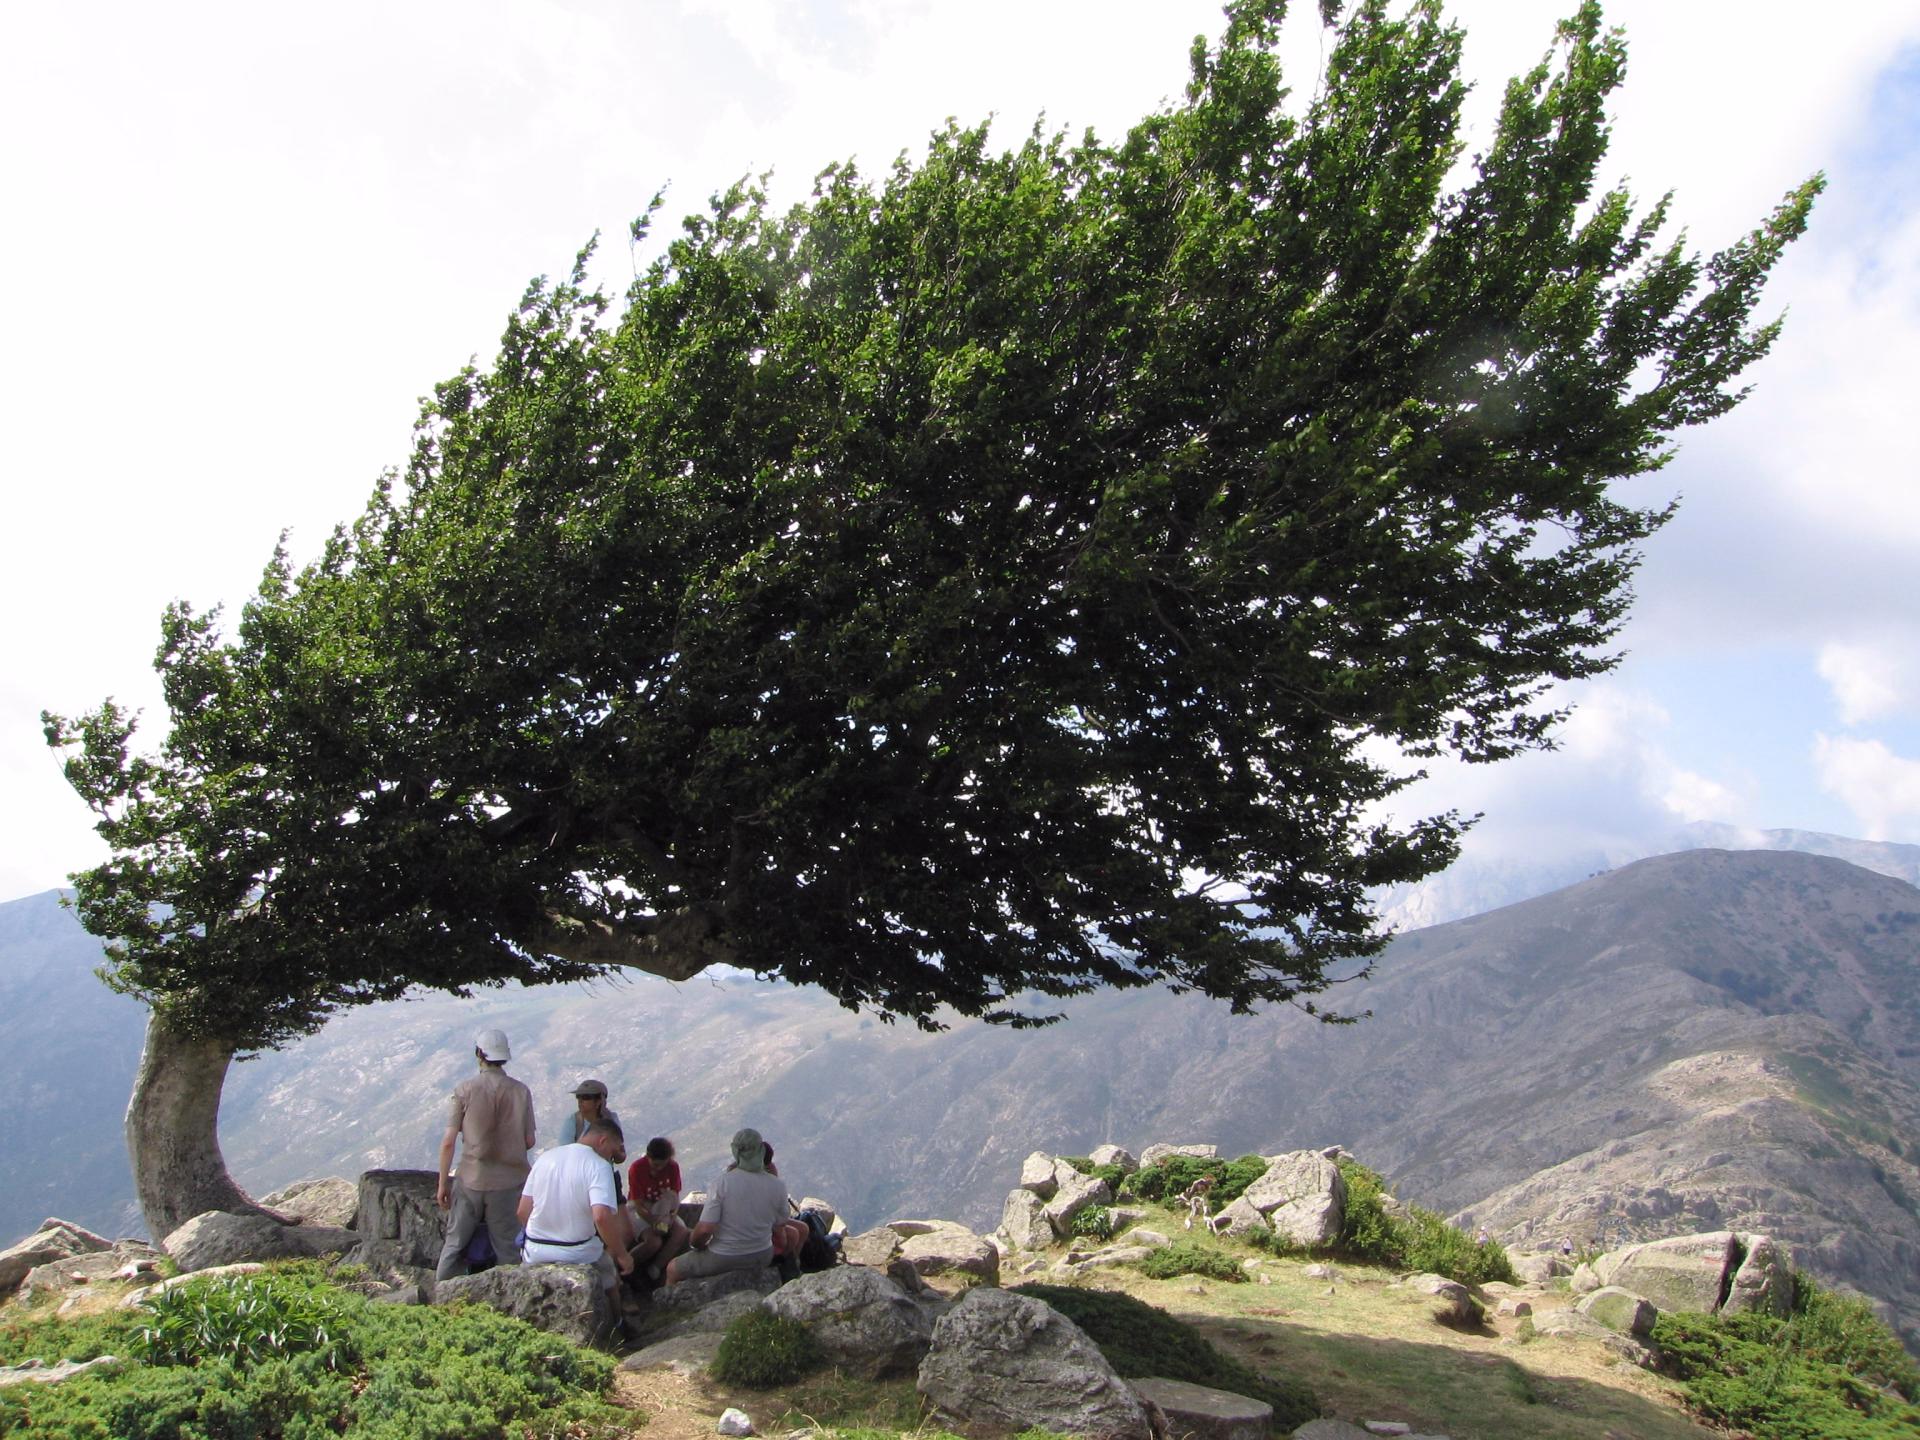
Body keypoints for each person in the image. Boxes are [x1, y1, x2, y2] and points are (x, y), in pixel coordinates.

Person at [435, 1028, 536, 1281]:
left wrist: (442, 1184)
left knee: (455, 1244)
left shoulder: (464, 1090)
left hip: (471, 1178)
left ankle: (441, 1297)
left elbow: (448, 1142)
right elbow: (529, 1140)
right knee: (508, 1250)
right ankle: (508, 1305)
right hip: (509, 1181)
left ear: (479, 1053)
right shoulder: (520, 1091)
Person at [517, 1117, 635, 1291]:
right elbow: (601, 1217)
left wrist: (546, 1236)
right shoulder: (599, 1166)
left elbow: (522, 1211)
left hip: (535, 1251)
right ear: (603, 1141)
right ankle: (616, 1318)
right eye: (612, 1152)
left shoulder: (545, 1158)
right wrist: (622, 1255)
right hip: (577, 1253)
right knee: (610, 1279)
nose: (611, 1158)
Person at [666, 1128, 788, 1284]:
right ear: (761, 1150)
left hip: (724, 1256)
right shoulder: (777, 1185)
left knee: (672, 1269)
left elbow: (705, 1230)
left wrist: (694, 1245)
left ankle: (669, 1306)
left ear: (735, 1151)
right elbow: (781, 1225)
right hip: (762, 1254)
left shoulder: (722, 1183)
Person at [627, 1137, 691, 1280]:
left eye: (663, 1165)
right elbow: (638, 1204)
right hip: (641, 1207)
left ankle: (655, 1269)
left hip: (663, 1205)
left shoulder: (673, 1167)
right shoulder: (637, 1168)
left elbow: (674, 1197)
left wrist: (672, 1217)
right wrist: (653, 1222)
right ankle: (626, 1266)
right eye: (655, 1165)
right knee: (654, 1242)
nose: (659, 1168)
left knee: (681, 1231)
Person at [557, 1079, 620, 1146]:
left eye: (585, 1097)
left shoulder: (612, 1119)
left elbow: (620, 1149)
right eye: (578, 1097)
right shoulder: (573, 1120)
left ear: (598, 1101)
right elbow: (564, 1150)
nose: (580, 1101)